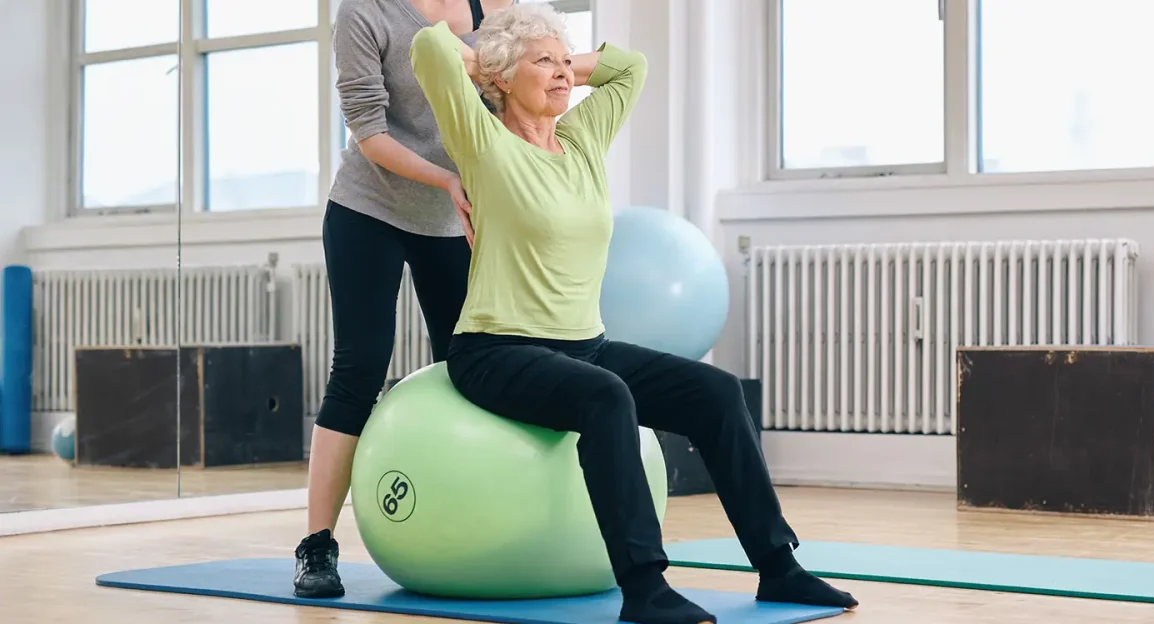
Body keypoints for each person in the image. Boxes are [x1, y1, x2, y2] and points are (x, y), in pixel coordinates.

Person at [408, 4, 860, 624]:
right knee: (606, 397)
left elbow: (629, 68)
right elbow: (430, 50)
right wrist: (501, 56)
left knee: (719, 394)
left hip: (585, 344)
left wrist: (553, 58)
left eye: (569, 63)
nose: (565, 75)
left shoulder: (584, 137)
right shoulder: (481, 139)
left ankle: (779, 567)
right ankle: (644, 588)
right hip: (495, 349)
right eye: (546, 64)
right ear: (502, 78)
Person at [294, 0, 514, 599]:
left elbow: (512, 102)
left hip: (456, 220)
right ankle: (317, 546)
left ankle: (476, 522)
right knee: (360, 367)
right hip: (371, 210)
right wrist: (446, 178)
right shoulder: (364, 12)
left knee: (471, 367)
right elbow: (369, 132)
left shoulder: (495, 7)